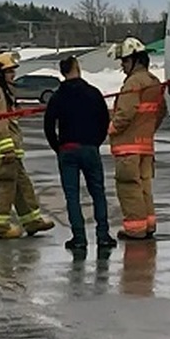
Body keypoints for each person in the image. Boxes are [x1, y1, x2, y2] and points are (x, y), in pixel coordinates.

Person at [43, 56, 117, 252]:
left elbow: (48, 125)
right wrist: (95, 142)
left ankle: (79, 237)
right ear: (77, 68)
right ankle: (102, 235)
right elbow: (104, 120)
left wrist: (58, 147)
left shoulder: (57, 97)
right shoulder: (93, 93)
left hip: (67, 149)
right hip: (90, 148)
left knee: (72, 196)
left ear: (62, 72)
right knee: (98, 193)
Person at [0, 51, 55, 240]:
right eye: (9, 72)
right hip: (5, 151)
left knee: (23, 185)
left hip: (12, 150)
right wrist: (6, 148)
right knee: (5, 185)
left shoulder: (4, 92)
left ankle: (32, 220)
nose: (13, 76)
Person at [107, 37, 168, 240]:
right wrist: (148, 130)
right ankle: (148, 225)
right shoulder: (154, 81)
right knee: (144, 188)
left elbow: (125, 112)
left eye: (124, 62)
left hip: (128, 149)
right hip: (146, 148)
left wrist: (111, 129)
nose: (123, 67)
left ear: (135, 60)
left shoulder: (133, 82)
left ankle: (135, 229)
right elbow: (160, 111)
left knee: (129, 188)